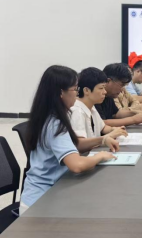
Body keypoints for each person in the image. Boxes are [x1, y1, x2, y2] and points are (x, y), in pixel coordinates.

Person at [20, 65, 116, 214]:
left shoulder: (47, 116)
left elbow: (74, 146)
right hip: (41, 202)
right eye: (75, 89)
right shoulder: (55, 124)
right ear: (61, 93)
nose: (77, 95)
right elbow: (76, 165)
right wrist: (100, 156)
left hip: (49, 191)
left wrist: (102, 141)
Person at [70, 67, 130, 155]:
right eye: (101, 88)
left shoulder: (91, 106)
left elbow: (103, 127)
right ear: (86, 90)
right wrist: (106, 138)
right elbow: (79, 144)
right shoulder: (77, 111)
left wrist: (114, 129)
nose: (105, 92)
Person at [96, 63, 142, 127]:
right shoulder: (96, 96)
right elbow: (101, 123)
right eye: (122, 85)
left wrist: (135, 113)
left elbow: (116, 114)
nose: (122, 89)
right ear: (108, 81)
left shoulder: (109, 95)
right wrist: (133, 119)